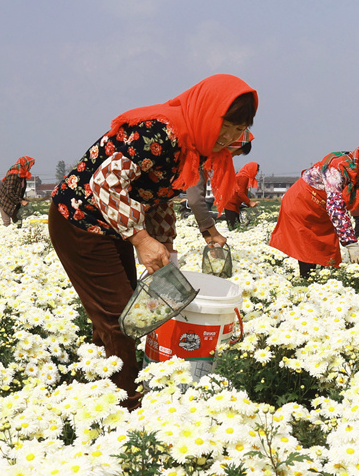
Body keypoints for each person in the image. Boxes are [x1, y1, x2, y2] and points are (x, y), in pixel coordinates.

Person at [48, 74, 258, 410]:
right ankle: (127, 408)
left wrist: (166, 246)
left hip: (114, 224)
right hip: (80, 219)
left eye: (239, 129)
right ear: (207, 112)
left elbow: (158, 197)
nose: (230, 136)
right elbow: (105, 183)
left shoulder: (195, 146)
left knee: (124, 312)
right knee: (120, 317)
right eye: (227, 125)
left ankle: (98, 385)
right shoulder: (161, 133)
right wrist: (141, 239)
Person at [269, 142, 359, 278]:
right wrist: (351, 244)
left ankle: (320, 282)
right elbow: (336, 207)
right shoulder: (336, 168)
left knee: (327, 249)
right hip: (301, 204)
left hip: (323, 209)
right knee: (307, 247)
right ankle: (306, 280)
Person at [0, 156, 34, 226]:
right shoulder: (13, 175)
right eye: (30, 165)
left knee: (18, 222)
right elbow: (9, 192)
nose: (30, 167)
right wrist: (21, 201)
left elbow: (19, 191)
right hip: (5, 201)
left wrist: (23, 200)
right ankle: (5, 232)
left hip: (14, 201)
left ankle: (17, 231)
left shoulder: (23, 175)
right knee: (7, 223)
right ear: (25, 165)